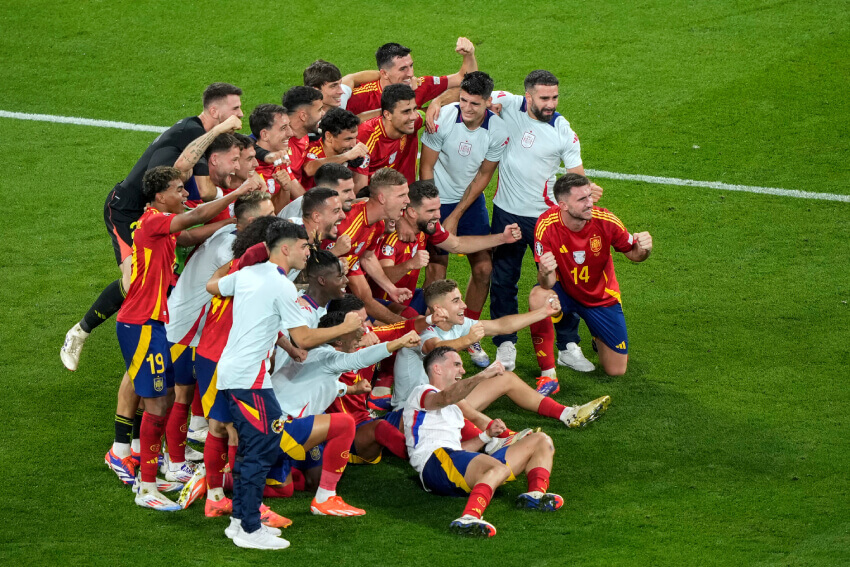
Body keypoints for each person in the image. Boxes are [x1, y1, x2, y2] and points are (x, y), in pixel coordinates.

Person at [104, 165, 258, 511]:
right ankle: (145, 485)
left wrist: (230, 224)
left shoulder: (158, 223)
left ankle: (151, 471)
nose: (185, 194)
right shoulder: (154, 220)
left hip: (153, 323)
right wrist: (238, 194)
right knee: (157, 402)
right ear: (160, 196)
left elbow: (187, 236)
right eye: (178, 189)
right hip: (141, 324)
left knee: (167, 394)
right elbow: (196, 217)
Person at [61, 82, 244, 371]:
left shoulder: (197, 133)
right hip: (126, 211)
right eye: (234, 109)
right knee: (133, 279)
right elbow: (206, 191)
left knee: (163, 272)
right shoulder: (192, 131)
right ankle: (79, 332)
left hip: (159, 212)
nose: (240, 115)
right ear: (214, 110)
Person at [487, 70, 603, 374]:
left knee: (562, 280)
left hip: (546, 219)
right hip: (507, 212)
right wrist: (438, 106)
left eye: (554, 97)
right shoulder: (507, 103)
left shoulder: (563, 131)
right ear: (528, 96)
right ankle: (505, 342)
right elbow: (470, 97)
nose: (551, 103)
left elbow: (576, 177)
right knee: (503, 279)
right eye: (544, 98)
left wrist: (587, 190)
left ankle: (567, 344)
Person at [392, 279, 611, 428]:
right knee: (458, 400)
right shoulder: (422, 333)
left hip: (443, 402)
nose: (465, 305)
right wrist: (469, 340)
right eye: (456, 301)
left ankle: (567, 414)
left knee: (505, 378)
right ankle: (495, 438)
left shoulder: (458, 324)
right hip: (413, 415)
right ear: (436, 309)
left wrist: (543, 312)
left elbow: (502, 325)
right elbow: (437, 349)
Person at [162, 191, 274, 479]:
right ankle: (174, 462)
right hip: (186, 328)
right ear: (251, 222)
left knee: (186, 395)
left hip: (186, 321)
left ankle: (178, 453)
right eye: (269, 215)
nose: (275, 220)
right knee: (181, 394)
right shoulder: (233, 252)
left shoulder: (228, 230)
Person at [404, 346, 565, 537]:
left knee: (540, 440)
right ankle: (468, 518)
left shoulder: (454, 409)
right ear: (437, 369)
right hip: (433, 467)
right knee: (498, 468)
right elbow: (446, 396)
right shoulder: (422, 392)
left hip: (450, 465)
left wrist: (486, 435)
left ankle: (535, 496)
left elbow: (458, 451)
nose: (462, 371)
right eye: (457, 365)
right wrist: (483, 375)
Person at [418, 72, 509, 361]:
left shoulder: (498, 131)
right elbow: (427, 168)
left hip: (469, 202)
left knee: (484, 269)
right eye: (464, 101)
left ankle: (468, 333)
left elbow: (484, 175)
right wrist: (434, 211)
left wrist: (456, 214)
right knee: (436, 271)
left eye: (475, 104)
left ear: (488, 102)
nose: (467, 109)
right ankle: (432, 336)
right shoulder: (442, 117)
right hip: (436, 197)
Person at [532, 173, 652, 377]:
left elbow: (634, 253)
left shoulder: (605, 220)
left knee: (616, 371)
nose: (590, 203)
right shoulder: (546, 226)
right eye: (582, 199)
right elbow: (547, 283)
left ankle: (598, 337)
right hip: (565, 291)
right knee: (537, 297)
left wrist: (644, 249)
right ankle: (548, 372)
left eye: (589, 196)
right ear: (563, 205)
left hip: (600, 297)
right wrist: (544, 273)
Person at [372, 180, 521, 337]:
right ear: (412, 212)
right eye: (431, 211)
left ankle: (461, 335)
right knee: (413, 335)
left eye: (438, 209)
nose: (438, 215)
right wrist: (409, 265)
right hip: (380, 304)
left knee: (442, 306)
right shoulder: (392, 235)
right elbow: (381, 278)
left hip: (406, 297)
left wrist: (502, 238)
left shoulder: (427, 226)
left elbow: (457, 244)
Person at [324, 168, 413, 324]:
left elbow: (368, 257)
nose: (407, 200)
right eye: (401, 195)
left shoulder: (377, 224)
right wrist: (404, 325)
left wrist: (391, 289)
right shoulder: (345, 226)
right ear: (382, 198)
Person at [345, 39, 477, 117]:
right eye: (403, 69)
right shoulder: (359, 98)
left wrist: (469, 55)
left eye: (411, 66)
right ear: (384, 74)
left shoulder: (419, 85)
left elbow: (464, 79)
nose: (410, 74)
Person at [353, 84, 421, 189]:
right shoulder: (367, 139)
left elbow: (426, 115)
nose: (413, 117)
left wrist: (436, 103)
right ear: (387, 115)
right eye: (406, 112)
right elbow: (359, 191)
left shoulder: (409, 123)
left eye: (414, 109)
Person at [301, 107, 369, 189]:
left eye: (355, 137)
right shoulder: (313, 149)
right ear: (329, 136)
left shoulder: (357, 148)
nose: (353, 144)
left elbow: (359, 189)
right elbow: (309, 170)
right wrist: (346, 156)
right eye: (348, 139)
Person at [249, 104, 299, 211]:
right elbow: (267, 215)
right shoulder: (250, 167)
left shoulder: (280, 159)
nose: (291, 133)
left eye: (289, 126)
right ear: (265, 135)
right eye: (283, 128)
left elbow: (280, 210)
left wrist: (285, 190)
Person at [278, 162, 357, 220]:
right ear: (325, 189)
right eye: (346, 191)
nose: (353, 196)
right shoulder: (301, 214)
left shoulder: (322, 208)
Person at [302, 59, 379, 111]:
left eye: (339, 84)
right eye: (333, 86)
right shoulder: (301, 118)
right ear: (316, 91)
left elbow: (352, 78)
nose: (341, 91)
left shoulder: (339, 100)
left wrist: (385, 75)